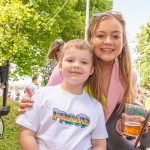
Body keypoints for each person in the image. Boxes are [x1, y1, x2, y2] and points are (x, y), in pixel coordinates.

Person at [18, 11, 149, 149]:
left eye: (116, 36)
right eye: (100, 35)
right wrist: (30, 104)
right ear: (91, 39)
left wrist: (128, 124)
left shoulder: (129, 76)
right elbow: (47, 103)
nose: (109, 41)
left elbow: (117, 121)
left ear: (123, 42)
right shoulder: (69, 68)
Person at [16, 39, 108, 150]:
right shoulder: (42, 96)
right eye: (70, 60)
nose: (76, 65)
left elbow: (99, 145)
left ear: (91, 70)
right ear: (60, 66)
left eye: (84, 62)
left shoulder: (96, 107)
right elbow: (27, 134)